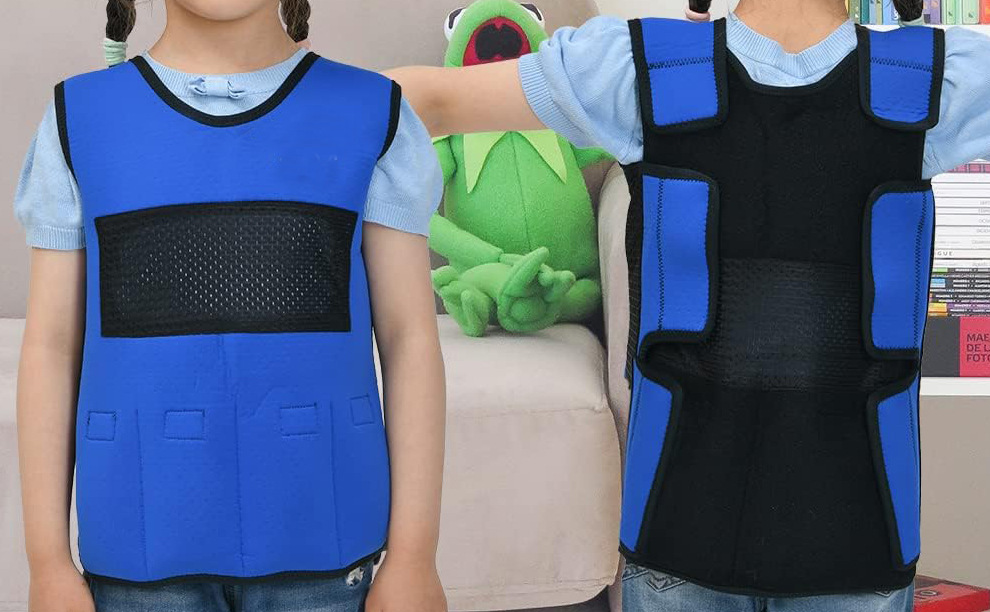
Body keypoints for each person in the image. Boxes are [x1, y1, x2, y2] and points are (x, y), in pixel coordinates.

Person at [387, 0, 990, 610]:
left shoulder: (637, 68)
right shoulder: (938, 79)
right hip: (827, 541)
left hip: (716, 539)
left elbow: (415, 100)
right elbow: (420, 101)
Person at [14, 1, 447, 611]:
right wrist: (47, 564)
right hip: (136, 561)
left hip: (327, 557)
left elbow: (409, 340)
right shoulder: (76, 120)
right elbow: (51, 348)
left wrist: (414, 557)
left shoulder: (374, 114)